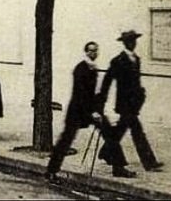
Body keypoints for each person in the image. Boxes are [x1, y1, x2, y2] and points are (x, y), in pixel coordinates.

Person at [46, 42, 131, 180]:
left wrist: (99, 109)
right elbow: (80, 94)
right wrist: (93, 113)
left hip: (90, 109)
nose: (93, 53)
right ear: (86, 52)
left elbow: (92, 94)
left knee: (110, 134)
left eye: (96, 51)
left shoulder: (92, 68)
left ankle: (118, 167)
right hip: (77, 111)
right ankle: (51, 171)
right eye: (91, 51)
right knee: (66, 141)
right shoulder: (81, 68)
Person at [99, 30, 164, 173]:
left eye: (134, 41)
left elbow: (136, 82)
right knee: (137, 132)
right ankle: (149, 163)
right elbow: (107, 81)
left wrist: (141, 94)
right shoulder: (118, 61)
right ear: (124, 43)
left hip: (134, 103)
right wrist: (100, 101)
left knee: (119, 131)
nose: (132, 43)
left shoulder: (136, 59)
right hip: (124, 104)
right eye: (129, 41)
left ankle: (105, 152)